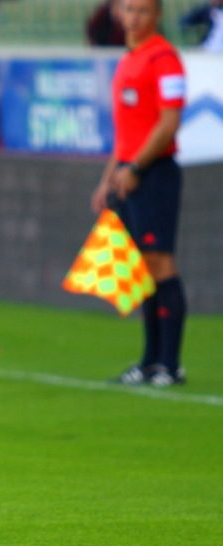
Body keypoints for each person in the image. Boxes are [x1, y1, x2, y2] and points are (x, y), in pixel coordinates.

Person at [91, 0, 188, 387]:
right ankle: (150, 361)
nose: (134, 17)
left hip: (155, 175)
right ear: (119, 12)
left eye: (143, 10)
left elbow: (168, 124)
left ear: (158, 15)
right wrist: (108, 178)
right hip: (128, 175)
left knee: (161, 265)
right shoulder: (127, 59)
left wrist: (136, 168)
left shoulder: (164, 59)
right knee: (143, 270)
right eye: (129, 9)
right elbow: (126, 133)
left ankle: (170, 364)